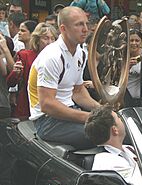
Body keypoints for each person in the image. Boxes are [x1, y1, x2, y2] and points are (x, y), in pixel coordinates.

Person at [28, 7, 100, 149]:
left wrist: (101, 109)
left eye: (86, 24)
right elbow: (47, 104)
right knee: (102, 134)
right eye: (79, 24)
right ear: (63, 28)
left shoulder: (81, 52)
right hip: (47, 121)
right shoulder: (52, 56)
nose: (86, 29)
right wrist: (89, 117)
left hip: (70, 111)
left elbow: (77, 91)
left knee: (118, 127)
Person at [85, 105, 142, 185]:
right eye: (119, 118)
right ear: (115, 130)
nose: (122, 120)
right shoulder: (107, 162)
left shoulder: (128, 148)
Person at [6, 23, 58, 120]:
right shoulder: (25, 55)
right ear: (37, 40)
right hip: (27, 106)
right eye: (46, 38)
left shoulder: (59, 58)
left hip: (53, 106)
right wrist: (16, 72)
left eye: (53, 38)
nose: (50, 42)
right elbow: (10, 83)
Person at [124, 29, 142, 107]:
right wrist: (128, 67)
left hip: (139, 97)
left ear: (141, 42)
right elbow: (118, 80)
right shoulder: (123, 54)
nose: (134, 43)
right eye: (131, 40)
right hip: (124, 96)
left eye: (137, 41)